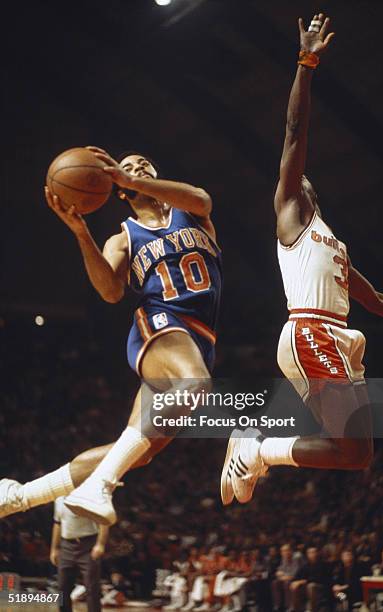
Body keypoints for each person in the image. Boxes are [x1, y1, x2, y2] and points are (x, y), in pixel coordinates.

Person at [221, 12, 383, 506]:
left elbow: (377, 298)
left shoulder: (332, 242)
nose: (298, 179)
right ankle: (257, 449)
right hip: (309, 330)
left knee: (359, 454)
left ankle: (261, 452)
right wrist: (306, 62)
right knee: (352, 447)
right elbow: (295, 132)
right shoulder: (292, 214)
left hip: (340, 336)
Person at [1, 148, 222, 525]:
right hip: (162, 323)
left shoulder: (190, 211)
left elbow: (202, 197)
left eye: (144, 165)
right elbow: (110, 291)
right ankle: (101, 483)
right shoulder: (124, 238)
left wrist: (130, 178)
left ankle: (18, 496)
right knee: (197, 384)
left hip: (199, 336)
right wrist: (80, 232)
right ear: (117, 191)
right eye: (128, 168)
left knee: (139, 448)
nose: (137, 169)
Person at [50, 495, 109, 612]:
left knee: (92, 589)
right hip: (66, 545)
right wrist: (54, 548)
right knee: (62, 588)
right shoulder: (59, 499)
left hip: (88, 544)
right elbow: (57, 523)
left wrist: (100, 544)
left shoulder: (90, 496)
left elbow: (104, 521)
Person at [290, 547, 332, 612]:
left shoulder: (324, 564)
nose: (312, 554)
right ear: (307, 554)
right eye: (310, 553)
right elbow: (296, 577)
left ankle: (312, 609)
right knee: (295, 585)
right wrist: (295, 582)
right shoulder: (305, 566)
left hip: (323, 588)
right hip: (307, 588)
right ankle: (296, 609)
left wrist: (304, 581)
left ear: (318, 553)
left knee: (311, 586)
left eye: (314, 552)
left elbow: (320, 578)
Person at [272, 543, 303, 611]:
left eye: (287, 550)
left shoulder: (296, 558)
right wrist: (282, 575)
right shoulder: (284, 559)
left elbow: (294, 574)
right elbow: (278, 572)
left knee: (287, 583)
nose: (285, 553)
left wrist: (283, 575)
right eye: (283, 551)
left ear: (291, 551)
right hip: (286, 578)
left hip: (298, 579)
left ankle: (289, 606)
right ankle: (278, 605)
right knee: (275, 582)